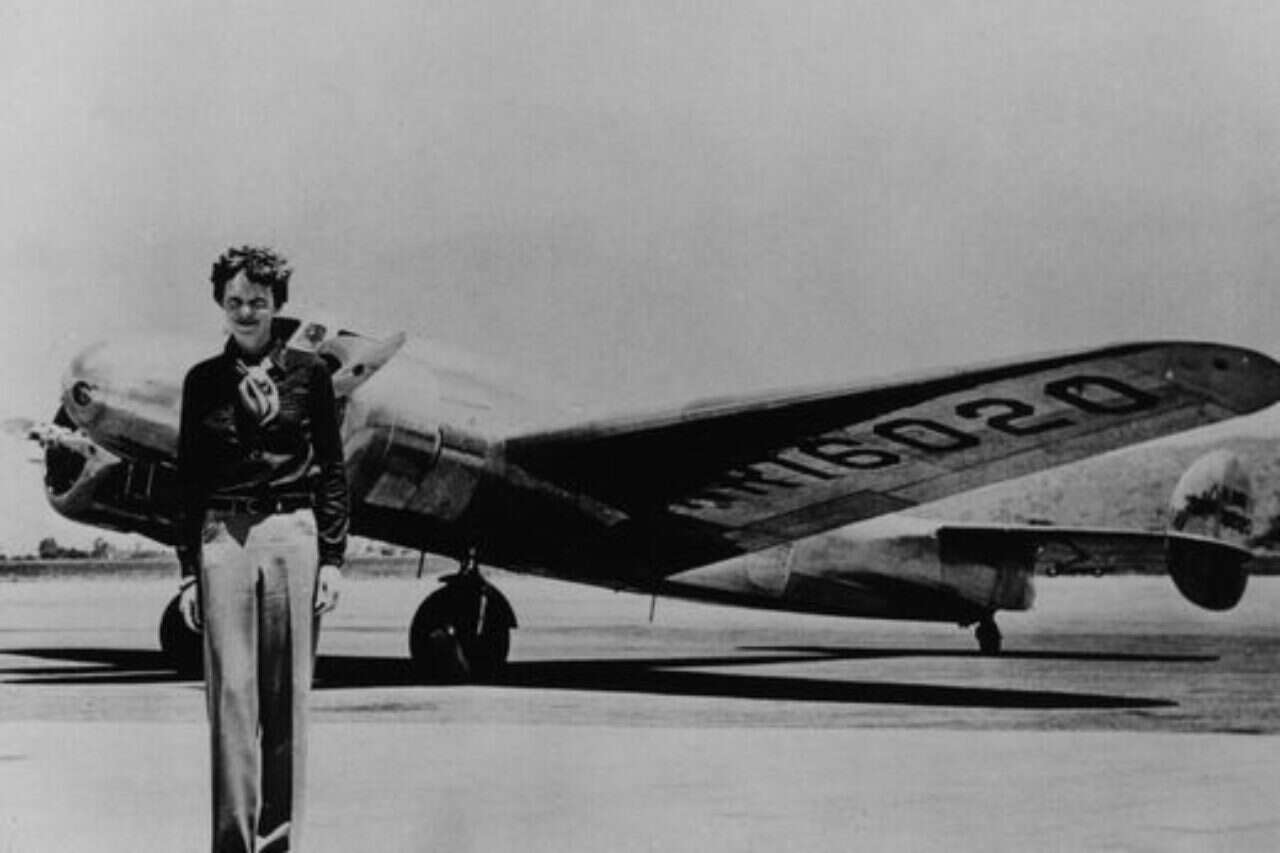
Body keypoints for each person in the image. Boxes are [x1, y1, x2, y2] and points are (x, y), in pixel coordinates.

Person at [174, 245, 349, 853]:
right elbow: (188, 480)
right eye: (234, 301)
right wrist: (188, 572)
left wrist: (332, 559)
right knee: (230, 699)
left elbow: (333, 470)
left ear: (277, 304)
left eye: (258, 301)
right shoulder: (202, 382)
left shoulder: (311, 374)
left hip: (291, 537)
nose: (245, 312)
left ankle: (277, 845)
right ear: (220, 304)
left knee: (286, 701)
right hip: (223, 539)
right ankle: (231, 845)